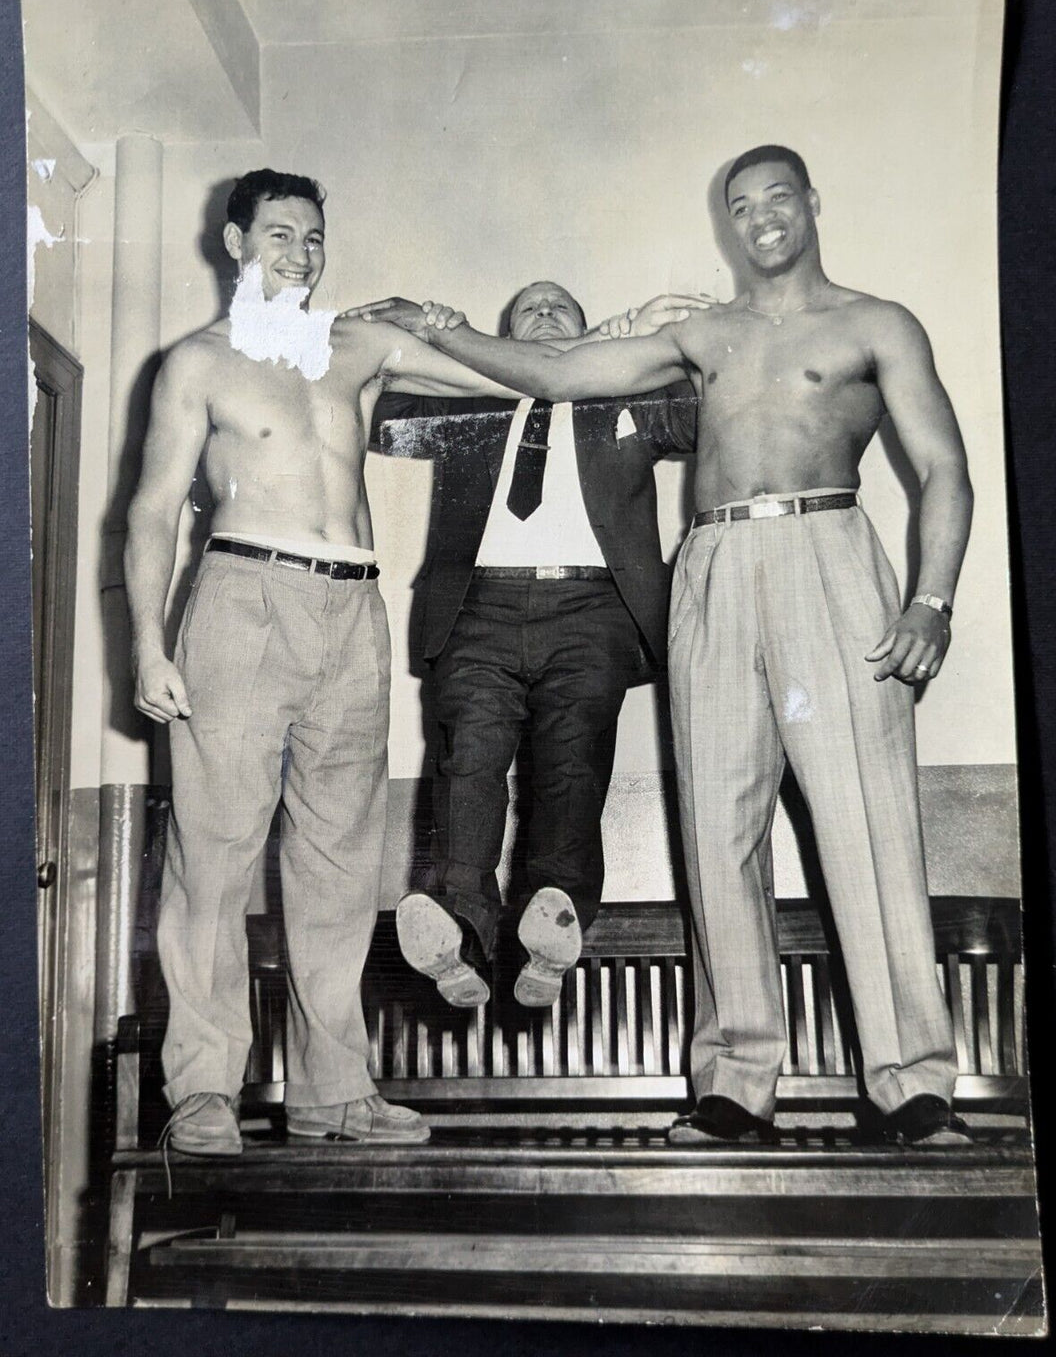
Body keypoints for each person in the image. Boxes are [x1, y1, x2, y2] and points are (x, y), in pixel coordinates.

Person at [359, 145, 974, 1147]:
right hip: (715, 566)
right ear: (728, 223)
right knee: (715, 830)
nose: (762, 216)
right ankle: (736, 1083)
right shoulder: (704, 333)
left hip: (828, 548)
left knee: (865, 824)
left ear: (812, 204)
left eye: (778, 197)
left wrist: (932, 600)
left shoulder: (875, 324)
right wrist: (441, 326)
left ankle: (912, 1087)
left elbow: (943, 469)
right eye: (742, 203)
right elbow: (556, 370)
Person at [125, 169, 539, 1156]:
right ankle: (205, 1093)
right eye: (278, 235)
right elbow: (147, 512)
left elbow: (518, 377)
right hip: (240, 598)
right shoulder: (196, 362)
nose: (300, 255)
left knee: (340, 864)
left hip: (352, 606)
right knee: (213, 862)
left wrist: (450, 323)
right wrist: (145, 642)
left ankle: (332, 1092)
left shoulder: (358, 347)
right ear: (235, 244)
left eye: (313, 237)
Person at [369, 282, 702, 1008]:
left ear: (587, 331)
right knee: (470, 763)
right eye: (528, 309)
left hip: (592, 608)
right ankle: (459, 925)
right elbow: (388, 416)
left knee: (572, 768)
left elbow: (705, 411)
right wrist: (468, 348)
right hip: (478, 607)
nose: (546, 313)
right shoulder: (471, 401)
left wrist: (617, 346)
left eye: (562, 308)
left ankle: (555, 924)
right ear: (505, 335)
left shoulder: (626, 396)